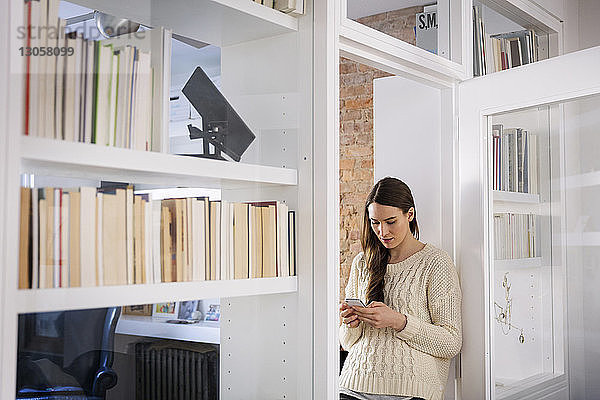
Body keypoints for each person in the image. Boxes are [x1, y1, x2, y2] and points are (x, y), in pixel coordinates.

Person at [339, 177, 462, 400]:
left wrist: (399, 321)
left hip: (410, 391)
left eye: (391, 221)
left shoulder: (436, 262)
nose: (382, 231)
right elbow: (347, 343)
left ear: (410, 215)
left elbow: (451, 342)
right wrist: (351, 324)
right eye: (375, 222)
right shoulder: (361, 263)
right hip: (352, 385)